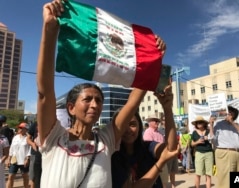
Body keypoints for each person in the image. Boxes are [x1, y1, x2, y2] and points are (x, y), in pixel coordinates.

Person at [36, 0, 167, 187]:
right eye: (87, 99)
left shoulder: (106, 140)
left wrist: (153, 61)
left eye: (98, 100)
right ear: (71, 107)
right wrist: (49, 31)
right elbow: (44, 92)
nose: (95, 105)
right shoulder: (54, 137)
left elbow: (132, 104)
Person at [112, 82, 178, 188]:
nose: (128, 130)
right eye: (124, 125)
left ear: (140, 127)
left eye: (133, 124)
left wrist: (167, 108)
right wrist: (161, 162)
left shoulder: (148, 147)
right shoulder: (112, 156)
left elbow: (171, 149)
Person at [209, 106, 239, 188]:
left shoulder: (236, 125)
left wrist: (232, 122)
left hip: (237, 154)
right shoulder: (219, 124)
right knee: (226, 181)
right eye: (228, 112)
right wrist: (211, 125)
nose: (229, 114)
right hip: (224, 153)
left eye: (231, 113)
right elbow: (212, 139)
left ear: (234, 116)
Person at [6, 122, 31, 188]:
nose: (19, 129)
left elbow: (30, 149)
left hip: (23, 161)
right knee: (10, 176)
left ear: (26, 129)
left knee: (25, 177)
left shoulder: (28, 138)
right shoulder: (15, 137)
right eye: (19, 128)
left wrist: (27, 159)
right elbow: (11, 148)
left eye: (21, 128)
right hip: (14, 160)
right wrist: (9, 159)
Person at [191, 116, 213, 188]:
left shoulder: (208, 131)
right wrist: (198, 141)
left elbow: (213, 138)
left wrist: (208, 137)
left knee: (208, 174)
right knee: (198, 173)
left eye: (200, 122)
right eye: (197, 123)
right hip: (199, 153)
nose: (199, 124)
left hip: (209, 153)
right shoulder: (194, 133)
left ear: (204, 123)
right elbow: (192, 144)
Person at [27, 122, 42, 188]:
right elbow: (28, 139)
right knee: (33, 177)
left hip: (48, 155)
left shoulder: (53, 123)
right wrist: (33, 144)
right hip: (35, 154)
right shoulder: (35, 124)